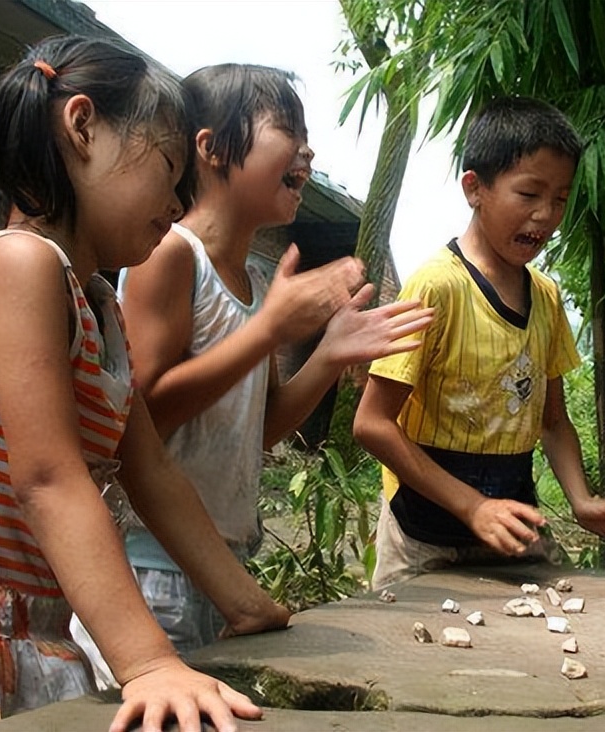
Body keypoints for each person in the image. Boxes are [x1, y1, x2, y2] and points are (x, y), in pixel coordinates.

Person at [0, 37, 292, 732]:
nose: (175, 199)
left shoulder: (97, 301)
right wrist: (150, 661)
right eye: (168, 170)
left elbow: (152, 470)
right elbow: (47, 479)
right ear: (82, 127)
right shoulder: (17, 264)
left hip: (32, 633)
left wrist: (246, 602)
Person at [116, 63, 433, 652]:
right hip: (153, 565)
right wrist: (268, 331)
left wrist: (330, 355)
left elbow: (260, 429)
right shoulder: (169, 255)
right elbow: (142, 416)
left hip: (227, 563)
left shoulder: (256, 283)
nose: (307, 151)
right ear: (209, 148)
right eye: (287, 127)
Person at [354, 96, 605, 590]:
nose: (545, 216)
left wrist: (582, 501)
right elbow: (371, 424)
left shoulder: (545, 297)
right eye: (529, 194)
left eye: (561, 199)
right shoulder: (437, 287)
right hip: (422, 540)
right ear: (474, 188)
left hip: (512, 531)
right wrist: (471, 506)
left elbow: (554, 421)